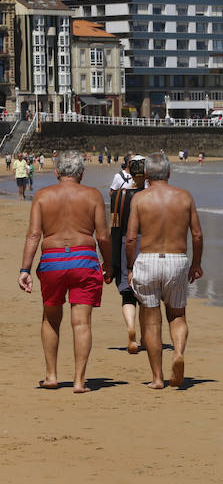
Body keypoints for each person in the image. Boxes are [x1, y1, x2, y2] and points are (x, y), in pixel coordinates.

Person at [18, 151, 113, 392]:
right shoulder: (92, 196)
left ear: (56, 172)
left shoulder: (42, 196)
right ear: (82, 172)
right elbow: (103, 236)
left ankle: (51, 376)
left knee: (51, 318)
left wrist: (25, 269)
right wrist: (110, 264)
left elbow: (34, 235)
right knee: (81, 322)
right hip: (84, 260)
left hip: (52, 260)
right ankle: (80, 381)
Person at [125, 153, 203, 389]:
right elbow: (197, 234)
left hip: (148, 259)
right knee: (177, 315)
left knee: (151, 321)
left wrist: (130, 267)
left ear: (146, 175)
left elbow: (130, 238)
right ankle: (177, 352)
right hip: (176, 259)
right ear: (169, 173)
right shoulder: (184, 197)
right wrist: (196, 264)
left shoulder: (139, 199)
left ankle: (157, 378)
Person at [110, 156, 147, 353]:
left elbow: (114, 224)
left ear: (129, 171)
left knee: (127, 293)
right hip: (148, 244)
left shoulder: (119, 195)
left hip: (125, 242)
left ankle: (131, 328)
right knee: (147, 296)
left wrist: (111, 256)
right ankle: (144, 336)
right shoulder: (151, 195)